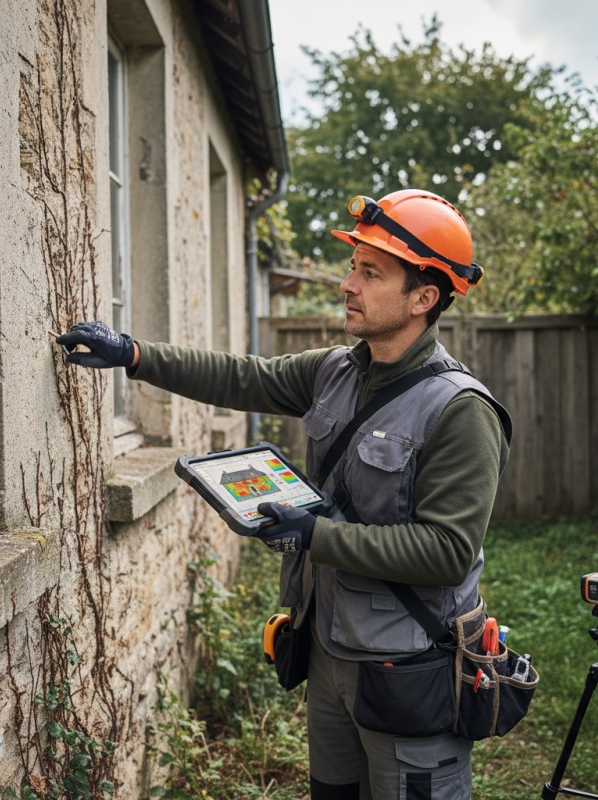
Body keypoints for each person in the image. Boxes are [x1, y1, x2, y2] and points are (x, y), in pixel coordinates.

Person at [57, 189, 512, 800]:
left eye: (370, 273)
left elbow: (447, 551)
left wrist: (315, 534)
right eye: (354, 267)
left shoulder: (461, 411)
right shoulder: (336, 370)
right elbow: (242, 375)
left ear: (423, 298)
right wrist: (135, 356)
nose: (348, 284)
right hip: (327, 650)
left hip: (410, 667)